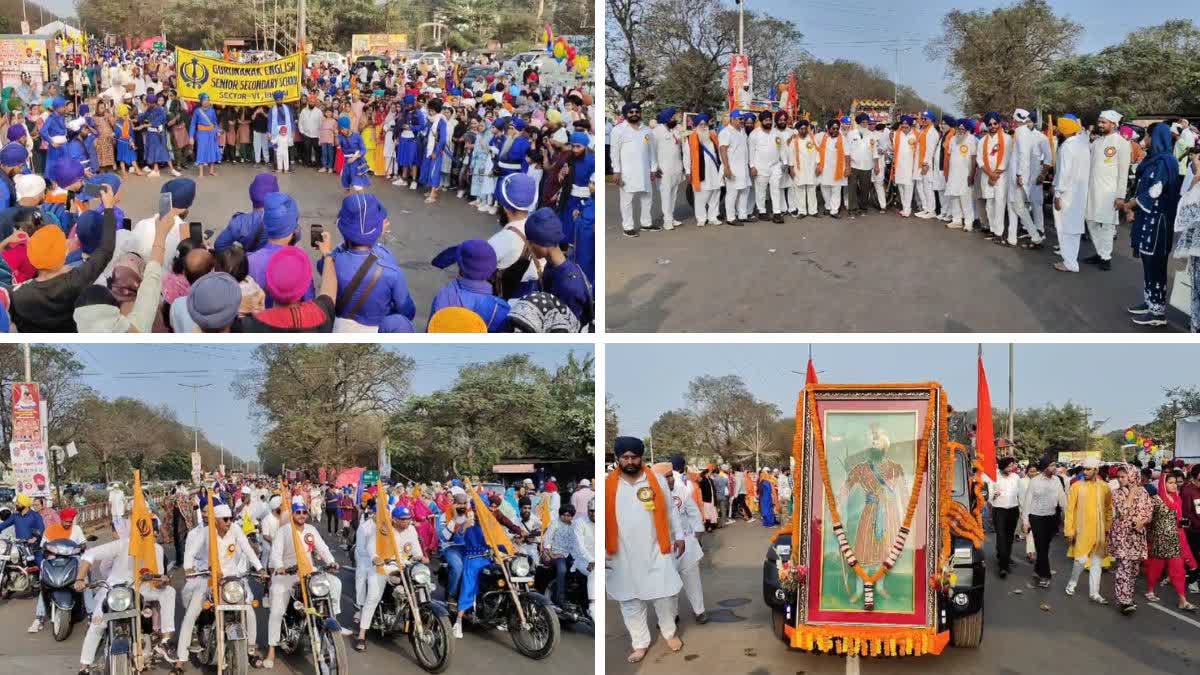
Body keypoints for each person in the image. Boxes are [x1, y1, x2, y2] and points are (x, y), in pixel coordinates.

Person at [606, 437, 684, 663]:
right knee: (630, 601)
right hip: (621, 554)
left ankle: (669, 633)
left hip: (655, 548)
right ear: (618, 458)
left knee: (664, 596)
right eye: (625, 457)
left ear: (641, 458)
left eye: (634, 457)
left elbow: (670, 511)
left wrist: (678, 536)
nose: (630, 461)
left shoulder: (657, 480)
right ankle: (640, 644)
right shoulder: (607, 485)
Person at [75, 520, 180, 675]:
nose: (147, 535)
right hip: (115, 589)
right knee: (97, 624)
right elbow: (90, 554)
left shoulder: (157, 549)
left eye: (150, 532)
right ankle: (84, 667)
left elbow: (157, 581)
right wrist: (80, 579)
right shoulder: (123, 544)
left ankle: (165, 640)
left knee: (169, 591)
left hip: (142, 589)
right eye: (143, 532)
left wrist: (162, 582)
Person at [9, 184, 117, 332]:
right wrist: (109, 208)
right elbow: (106, 249)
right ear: (65, 254)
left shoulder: (17, 295)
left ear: (31, 256)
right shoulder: (76, 281)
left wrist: (4, 244)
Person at [177, 503, 264, 667]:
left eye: (231, 518)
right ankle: (181, 659)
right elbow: (191, 552)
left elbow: (247, 549)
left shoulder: (235, 530)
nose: (229, 522)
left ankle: (250, 650)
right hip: (208, 578)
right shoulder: (205, 532)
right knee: (191, 615)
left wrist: (259, 568)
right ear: (216, 520)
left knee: (249, 611)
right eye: (225, 519)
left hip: (231, 579)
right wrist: (188, 567)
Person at [265, 499, 346, 668]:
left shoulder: (311, 530)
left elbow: (322, 548)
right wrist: (279, 567)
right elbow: (275, 553)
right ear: (292, 514)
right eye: (298, 512)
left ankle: (333, 622)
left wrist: (331, 562)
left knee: (335, 583)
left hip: (309, 571)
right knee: (277, 610)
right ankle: (271, 649)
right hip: (287, 574)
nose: (301, 515)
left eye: (304, 512)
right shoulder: (284, 531)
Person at [322, 192, 416, 330]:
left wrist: (327, 253)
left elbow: (323, 267)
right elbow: (407, 311)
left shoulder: (333, 259)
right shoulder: (391, 269)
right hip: (377, 329)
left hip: (338, 326)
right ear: (379, 228)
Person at [1123, 123, 1181, 327]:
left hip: (1159, 221)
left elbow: (1155, 190)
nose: (1144, 140)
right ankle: (1149, 302)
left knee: (1156, 264)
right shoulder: (1153, 160)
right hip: (1148, 218)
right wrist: (1133, 206)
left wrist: (1130, 205)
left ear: (1155, 138)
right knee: (1148, 262)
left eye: (1147, 136)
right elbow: (1142, 186)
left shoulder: (1166, 161)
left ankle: (1158, 312)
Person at [355, 504, 426, 652]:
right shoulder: (383, 529)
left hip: (404, 565)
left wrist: (420, 556)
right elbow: (371, 545)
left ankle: (423, 615)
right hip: (384, 566)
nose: (407, 521)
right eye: (403, 519)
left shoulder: (411, 529)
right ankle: (362, 634)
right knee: (373, 597)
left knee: (423, 580)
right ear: (394, 519)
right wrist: (375, 557)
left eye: (409, 519)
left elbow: (416, 548)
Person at [656, 462, 707, 624]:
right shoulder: (650, 494)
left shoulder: (681, 489)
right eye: (666, 477)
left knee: (692, 580)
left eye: (671, 476)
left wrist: (697, 535)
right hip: (664, 546)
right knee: (669, 584)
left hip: (686, 542)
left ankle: (699, 611)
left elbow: (693, 511)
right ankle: (671, 615)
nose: (670, 480)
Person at [1081, 110, 1132, 270]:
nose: (1100, 125)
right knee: (1090, 220)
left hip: (1110, 193)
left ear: (1113, 124)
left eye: (1104, 122)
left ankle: (1106, 257)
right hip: (1092, 190)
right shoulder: (1096, 142)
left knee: (1108, 225)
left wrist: (1120, 196)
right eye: (1099, 121)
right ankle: (1100, 252)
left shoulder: (1122, 143)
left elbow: (1123, 172)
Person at [1145, 471, 1198, 611]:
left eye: (1175, 483)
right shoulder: (1156, 500)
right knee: (1156, 568)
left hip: (1175, 540)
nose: (1174, 485)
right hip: (1159, 541)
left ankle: (1182, 599)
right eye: (1170, 483)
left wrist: (1182, 523)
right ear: (1163, 483)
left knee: (1178, 570)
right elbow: (1147, 518)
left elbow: (1178, 519)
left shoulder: (1178, 499)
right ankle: (1150, 589)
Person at [1064, 457, 1113, 602]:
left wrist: (1108, 526)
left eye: (1088, 469)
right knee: (1080, 560)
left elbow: (1108, 508)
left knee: (1097, 562)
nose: (1085, 472)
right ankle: (1072, 583)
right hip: (1082, 530)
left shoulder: (1105, 487)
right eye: (1084, 469)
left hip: (1100, 530)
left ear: (1096, 470)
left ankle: (1094, 593)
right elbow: (1070, 510)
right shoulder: (1076, 486)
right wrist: (1069, 530)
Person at [1108, 464, 1153, 613]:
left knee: (1134, 569)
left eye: (1123, 476)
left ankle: (1129, 596)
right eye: (1118, 477)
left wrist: (1143, 522)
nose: (1120, 480)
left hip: (1138, 535)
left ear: (1132, 476)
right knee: (1124, 567)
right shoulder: (1116, 493)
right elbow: (1122, 512)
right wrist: (1131, 495)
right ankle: (1123, 600)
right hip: (1123, 536)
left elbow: (1149, 511)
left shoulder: (1144, 492)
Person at [1052, 115, 1092, 273]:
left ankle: (1069, 262)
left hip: (1067, 192)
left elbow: (1064, 172)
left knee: (1065, 226)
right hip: (1079, 192)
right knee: (1074, 227)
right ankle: (1069, 257)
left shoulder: (1068, 146)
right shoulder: (1083, 143)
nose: (1057, 131)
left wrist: (1057, 194)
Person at [611, 103, 654, 236]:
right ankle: (628, 227)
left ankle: (646, 223)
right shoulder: (618, 130)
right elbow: (614, 152)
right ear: (625, 114)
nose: (634, 114)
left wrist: (653, 168)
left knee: (647, 197)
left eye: (637, 111)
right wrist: (616, 171)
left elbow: (652, 151)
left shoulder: (647, 130)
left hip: (645, 170)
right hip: (627, 172)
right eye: (631, 112)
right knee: (627, 200)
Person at [977, 112, 1010, 240]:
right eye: (990, 124)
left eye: (995, 123)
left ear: (999, 123)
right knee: (989, 204)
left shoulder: (1006, 138)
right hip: (987, 176)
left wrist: (995, 175)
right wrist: (990, 175)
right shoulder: (982, 141)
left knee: (1000, 203)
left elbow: (1006, 159)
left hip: (1001, 177)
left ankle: (999, 232)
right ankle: (992, 228)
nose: (992, 126)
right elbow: (980, 160)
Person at [651, 108, 683, 229]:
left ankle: (671, 217)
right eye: (672, 117)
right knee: (666, 194)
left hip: (676, 167)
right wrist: (654, 167)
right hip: (663, 169)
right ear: (666, 119)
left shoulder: (675, 130)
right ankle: (667, 221)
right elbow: (651, 151)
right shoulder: (656, 131)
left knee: (673, 194)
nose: (675, 119)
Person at [990, 456, 1022, 578]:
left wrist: (1024, 512)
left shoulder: (1016, 477)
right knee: (1001, 537)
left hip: (1013, 510)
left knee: (1009, 538)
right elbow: (989, 494)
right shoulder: (995, 477)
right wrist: (994, 495)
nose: (1011, 468)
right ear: (1003, 466)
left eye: (1012, 466)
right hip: (999, 511)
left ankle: (1005, 557)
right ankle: (1003, 567)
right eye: (1008, 466)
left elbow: (1021, 494)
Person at [749, 110, 783, 223]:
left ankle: (777, 213)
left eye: (770, 120)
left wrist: (784, 162)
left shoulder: (776, 133)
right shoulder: (755, 134)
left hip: (775, 166)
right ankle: (762, 211)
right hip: (760, 167)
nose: (768, 122)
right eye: (766, 120)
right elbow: (751, 152)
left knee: (775, 188)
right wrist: (752, 166)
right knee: (761, 190)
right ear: (761, 121)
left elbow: (781, 148)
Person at [944, 118, 978, 230]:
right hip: (953, 174)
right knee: (954, 197)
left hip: (966, 175)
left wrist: (972, 175)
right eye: (959, 128)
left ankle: (968, 222)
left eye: (963, 129)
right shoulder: (953, 139)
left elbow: (974, 158)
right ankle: (956, 220)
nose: (961, 131)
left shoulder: (972, 139)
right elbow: (949, 158)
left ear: (967, 129)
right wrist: (947, 173)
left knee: (965, 198)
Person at [814, 119, 847, 218]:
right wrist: (817, 164)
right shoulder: (821, 137)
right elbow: (812, 142)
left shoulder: (843, 139)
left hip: (838, 169)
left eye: (837, 128)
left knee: (836, 189)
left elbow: (847, 154)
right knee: (825, 188)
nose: (836, 130)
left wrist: (848, 167)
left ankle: (834, 210)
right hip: (824, 169)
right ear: (828, 128)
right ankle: (828, 206)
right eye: (833, 128)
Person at [891, 116, 918, 217]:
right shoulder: (896, 134)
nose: (904, 128)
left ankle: (907, 209)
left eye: (906, 127)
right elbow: (893, 147)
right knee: (901, 187)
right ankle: (904, 207)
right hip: (899, 165)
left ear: (910, 126)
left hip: (910, 166)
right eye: (903, 126)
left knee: (908, 187)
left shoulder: (916, 134)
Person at [188, 93, 220, 177]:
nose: (206, 102)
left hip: (211, 133)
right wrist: (191, 137)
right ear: (201, 101)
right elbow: (193, 124)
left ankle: (211, 171)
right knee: (201, 151)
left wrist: (217, 131)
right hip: (201, 134)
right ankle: (201, 173)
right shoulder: (197, 111)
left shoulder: (212, 110)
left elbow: (215, 122)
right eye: (204, 100)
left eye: (207, 100)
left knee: (212, 150)